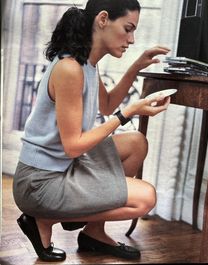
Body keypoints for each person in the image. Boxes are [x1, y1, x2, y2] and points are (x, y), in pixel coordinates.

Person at [13, 0, 171, 262]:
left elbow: (107, 105)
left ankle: (94, 233)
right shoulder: (69, 69)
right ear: (103, 19)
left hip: (63, 167)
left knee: (136, 143)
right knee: (145, 199)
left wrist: (135, 68)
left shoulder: (87, 63)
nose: (131, 39)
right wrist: (128, 113)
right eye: (128, 29)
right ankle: (42, 219)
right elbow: (73, 146)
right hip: (39, 183)